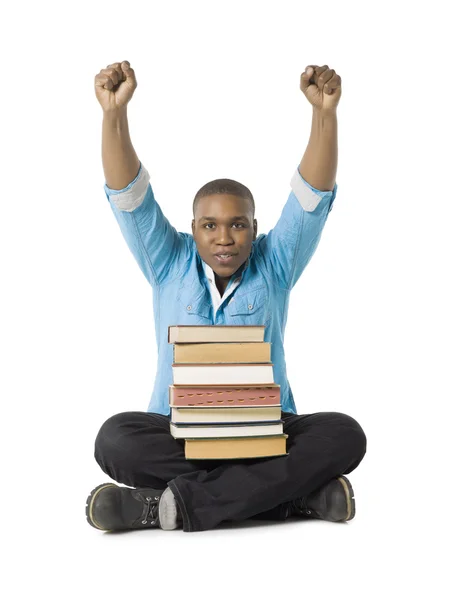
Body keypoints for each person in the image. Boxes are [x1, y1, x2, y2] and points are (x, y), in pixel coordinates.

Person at [87, 60, 366, 533]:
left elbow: (311, 198)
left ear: (255, 231)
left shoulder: (275, 264)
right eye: (210, 226)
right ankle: (290, 500)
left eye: (238, 224)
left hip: (268, 431)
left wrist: (325, 114)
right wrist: (114, 114)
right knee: (115, 439)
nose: (224, 238)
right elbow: (128, 195)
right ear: (191, 230)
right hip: (177, 430)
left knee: (345, 435)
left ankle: (162, 506)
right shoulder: (167, 262)